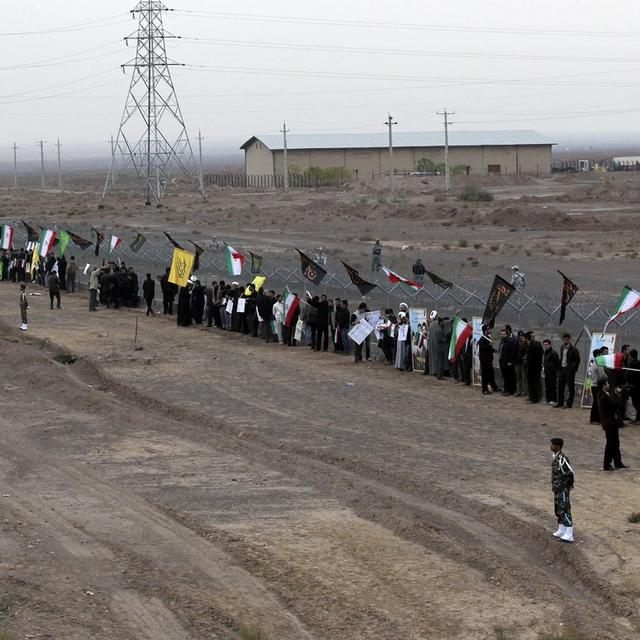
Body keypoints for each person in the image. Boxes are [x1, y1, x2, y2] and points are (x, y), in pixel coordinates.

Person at [597, 380, 628, 471]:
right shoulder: (603, 396)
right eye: (607, 384)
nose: (609, 385)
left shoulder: (605, 394)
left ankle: (618, 462)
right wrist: (619, 394)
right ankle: (607, 464)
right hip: (609, 423)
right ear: (603, 386)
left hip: (612, 422)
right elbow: (615, 404)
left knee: (615, 443)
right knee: (610, 444)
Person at [550, 437, 575, 543]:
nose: (551, 446)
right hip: (557, 488)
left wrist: (567, 486)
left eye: (553, 444)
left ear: (558, 446)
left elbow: (570, 473)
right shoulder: (555, 457)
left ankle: (569, 533)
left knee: (565, 508)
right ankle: (561, 529)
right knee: (558, 508)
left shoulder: (562, 459)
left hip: (562, 488)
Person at [557, 333, 581, 409]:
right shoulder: (562, 347)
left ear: (569, 339)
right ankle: (560, 402)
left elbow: (578, 360)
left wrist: (573, 368)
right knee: (560, 386)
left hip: (569, 370)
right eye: (564, 339)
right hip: (562, 369)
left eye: (567, 339)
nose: (565, 341)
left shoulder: (573, 349)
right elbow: (562, 357)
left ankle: (569, 403)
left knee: (570, 387)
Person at [478, 324, 500, 394]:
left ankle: (494, 387)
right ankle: (484, 389)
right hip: (484, 360)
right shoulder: (482, 339)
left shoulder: (488, 338)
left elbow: (489, 349)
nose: (489, 330)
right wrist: (489, 345)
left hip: (489, 360)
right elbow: (482, 349)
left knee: (491, 374)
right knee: (485, 375)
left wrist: (495, 350)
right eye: (488, 329)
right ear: (485, 330)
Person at [525, 331, 543, 403]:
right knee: (532, 383)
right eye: (532, 336)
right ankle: (532, 397)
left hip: (534, 367)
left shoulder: (535, 345)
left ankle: (534, 398)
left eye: (533, 336)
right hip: (532, 367)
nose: (533, 337)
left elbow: (537, 356)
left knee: (534, 383)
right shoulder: (529, 345)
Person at [498, 325, 517, 395]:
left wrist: (510, 361)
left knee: (509, 377)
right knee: (505, 377)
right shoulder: (501, 342)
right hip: (502, 361)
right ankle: (506, 389)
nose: (503, 335)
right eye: (502, 334)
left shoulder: (509, 342)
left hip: (507, 362)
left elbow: (512, 353)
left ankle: (510, 390)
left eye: (504, 334)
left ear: (506, 334)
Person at [627, 349, 640, 423]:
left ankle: (638, 419)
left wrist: (628, 382)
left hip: (634, 386)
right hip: (638, 385)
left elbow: (630, 375)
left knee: (636, 402)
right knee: (637, 402)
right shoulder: (639, 362)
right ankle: (637, 418)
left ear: (631, 356)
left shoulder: (632, 364)